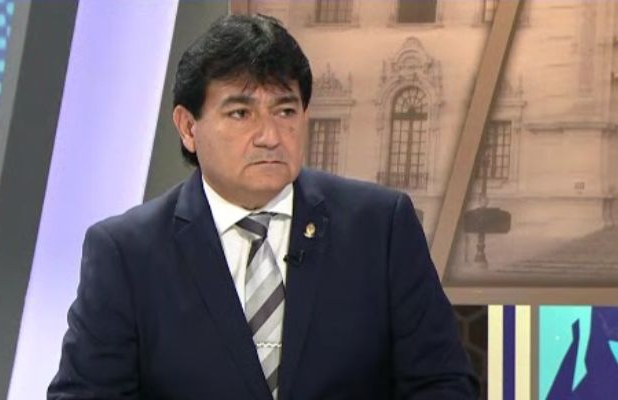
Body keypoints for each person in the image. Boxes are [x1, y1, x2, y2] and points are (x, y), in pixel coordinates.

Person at [48, 14, 479, 400]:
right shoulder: (126, 252)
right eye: (241, 113)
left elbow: (443, 384)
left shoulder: (380, 227)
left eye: (285, 110)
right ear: (188, 127)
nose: (270, 136)